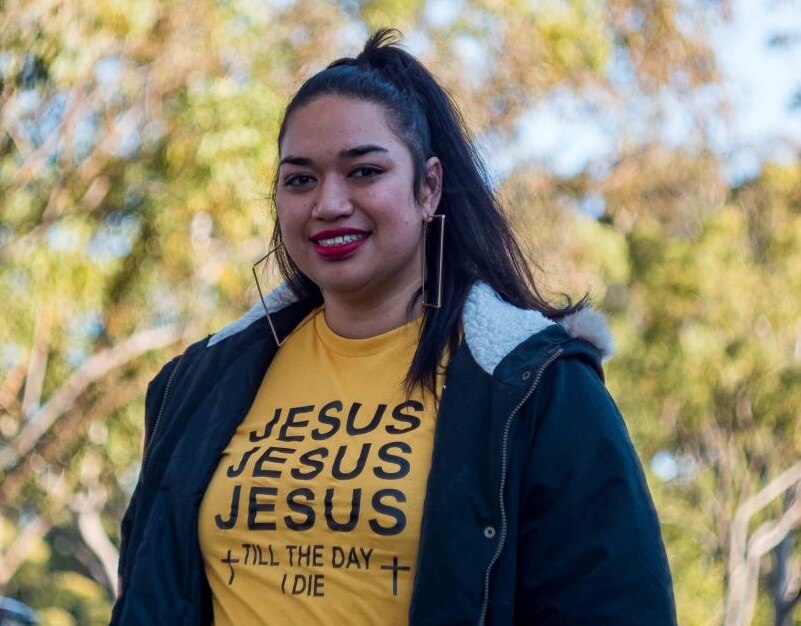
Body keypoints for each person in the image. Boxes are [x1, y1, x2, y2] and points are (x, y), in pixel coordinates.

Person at [111, 29, 676, 626]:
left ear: (428, 186)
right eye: (300, 179)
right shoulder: (196, 386)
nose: (328, 203)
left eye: (363, 172)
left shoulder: (535, 386)